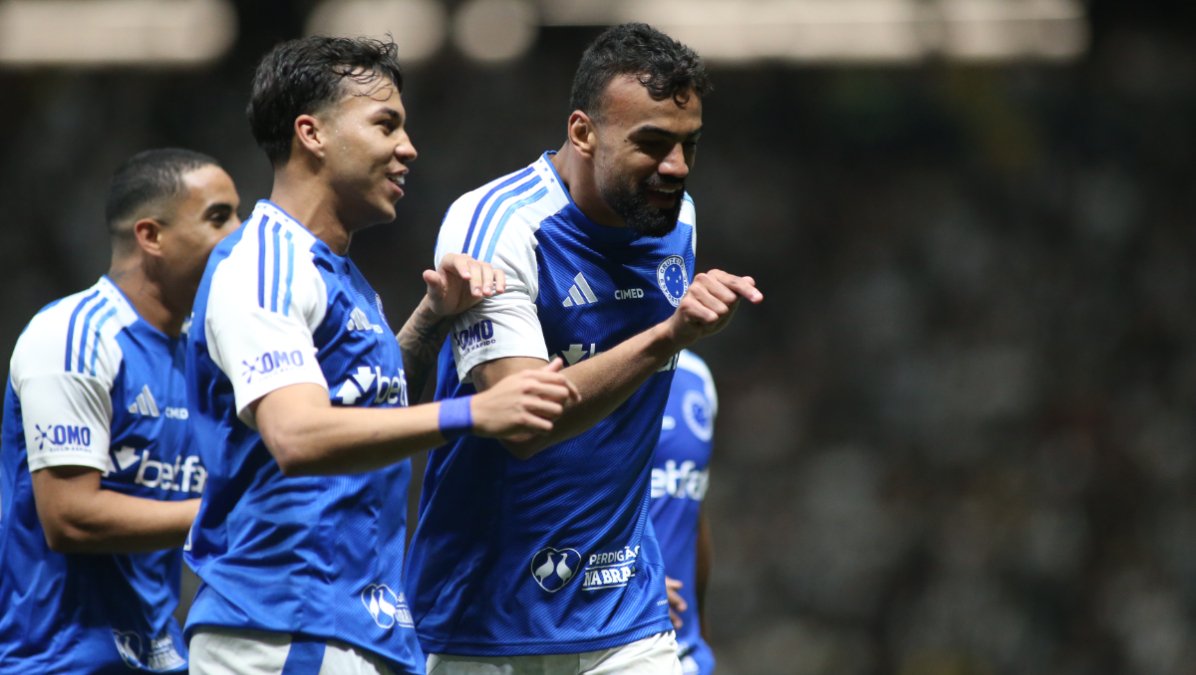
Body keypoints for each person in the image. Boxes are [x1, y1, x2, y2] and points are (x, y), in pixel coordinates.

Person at [183, 36, 577, 675]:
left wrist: (432, 318)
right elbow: (297, 434)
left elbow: (368, 405)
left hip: (351, 624)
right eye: (385, 124)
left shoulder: (338, 277)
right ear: (311, 134)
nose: (408, 148)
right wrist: (475, 413)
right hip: (286, 626)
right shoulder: (263, 264)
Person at [406, 22, 762, 673]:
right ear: (582, 132)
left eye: (689, 145)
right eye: (652, 144)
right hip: (484, 619)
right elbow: (524, 423)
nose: (676, 167)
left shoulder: (674, 215)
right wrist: (667, 337)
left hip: (626, 613)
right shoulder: (498, 223)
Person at [0, 148, 241, 672]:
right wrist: (227, 515)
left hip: (159, 655)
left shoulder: (201, 355)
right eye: (219, 216)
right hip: (55, 659)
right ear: (151, 236)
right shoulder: (73, 336)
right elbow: (69, 517)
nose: (239, 236)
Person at [653, 350, 717, 675]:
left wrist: (702, 639)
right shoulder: (569, 361)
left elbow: (690, 510)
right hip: (605, 644)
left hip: (685, 657)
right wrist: (627, 572)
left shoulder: (696, 374)